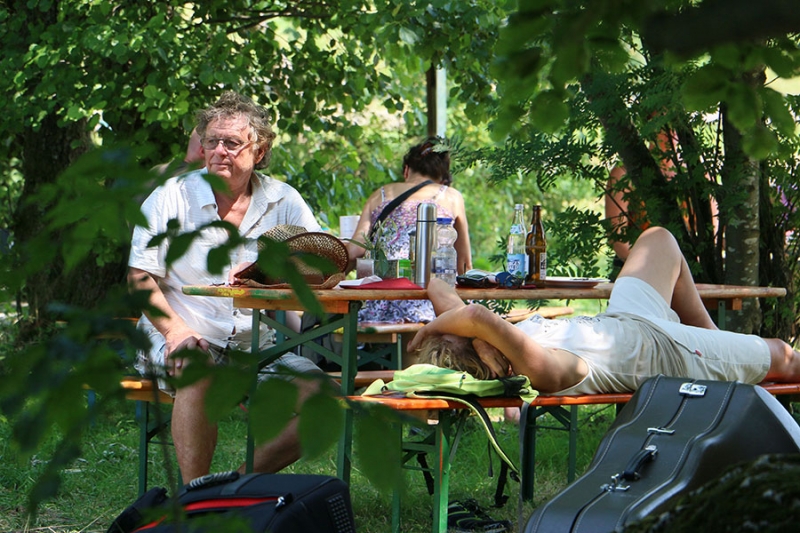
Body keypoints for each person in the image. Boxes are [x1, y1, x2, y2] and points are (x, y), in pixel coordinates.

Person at [128, 91, 323, 484]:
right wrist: (176, 332)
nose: (219, 151)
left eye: (232, 143)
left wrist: (271, 271)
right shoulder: (172, 196)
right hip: (179, 332)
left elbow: (318, 262)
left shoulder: (283, 200)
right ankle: (195, 501)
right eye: (211, 141)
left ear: (260, 149)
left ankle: (232, 487)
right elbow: (138, 277)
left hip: (256, 344)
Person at [409, 226, 800, 395]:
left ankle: (716, 340)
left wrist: (470, 336)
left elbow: (437, 286)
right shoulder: (542, 370)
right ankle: (715, 348)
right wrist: (432, 332)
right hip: (672, 353)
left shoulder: (497, 342)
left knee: (657, 239)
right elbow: (476, 317)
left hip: (624, 321)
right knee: (784, 356)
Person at [344, 137, 473, 324]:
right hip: (430, 302)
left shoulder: (382, 193)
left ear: (406, 170)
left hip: (379, 302)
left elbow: (355, 251)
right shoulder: (450, 196)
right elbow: (464, 265)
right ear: (443, 177)